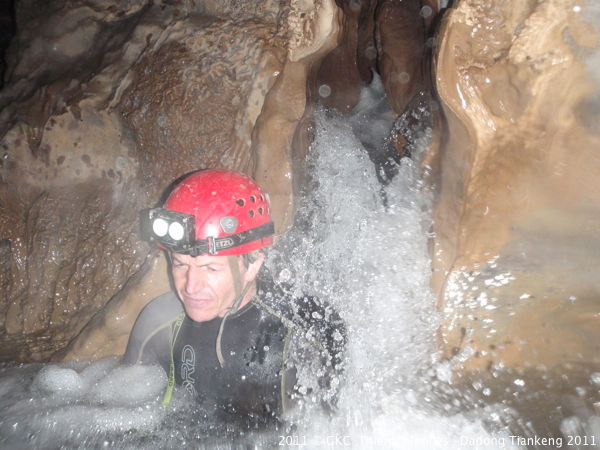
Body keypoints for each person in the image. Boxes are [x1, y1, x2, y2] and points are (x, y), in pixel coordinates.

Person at [123, 169, 343, 425]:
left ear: (252, 265)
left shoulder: (301, 336)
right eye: (180, 264)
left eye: (211, 268)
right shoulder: (157, 322)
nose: (190, 286)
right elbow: (123, 419)